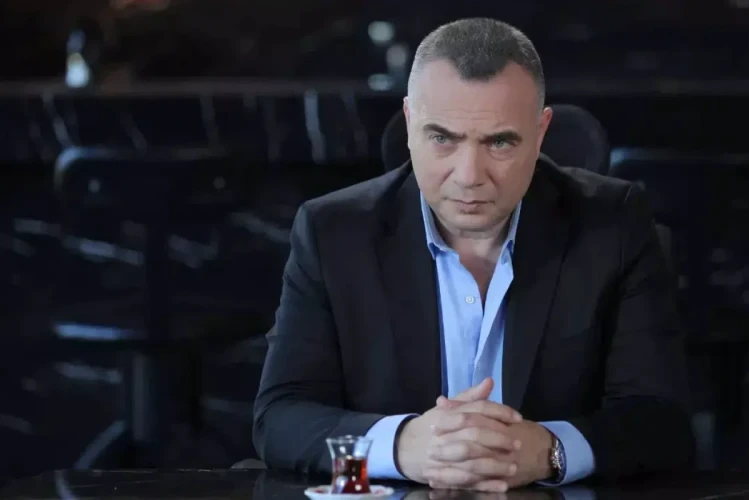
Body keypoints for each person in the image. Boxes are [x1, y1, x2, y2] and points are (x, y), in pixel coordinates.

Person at [253, 17, 694, 491]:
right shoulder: (332, 232)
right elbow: (280, 419)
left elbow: (662, 423)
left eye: (499, 142)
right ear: (410, 124)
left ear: (541, 132)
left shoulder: (614, 225)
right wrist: (400, 449)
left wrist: (550, 451)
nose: (469, 176)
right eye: (443, 138)